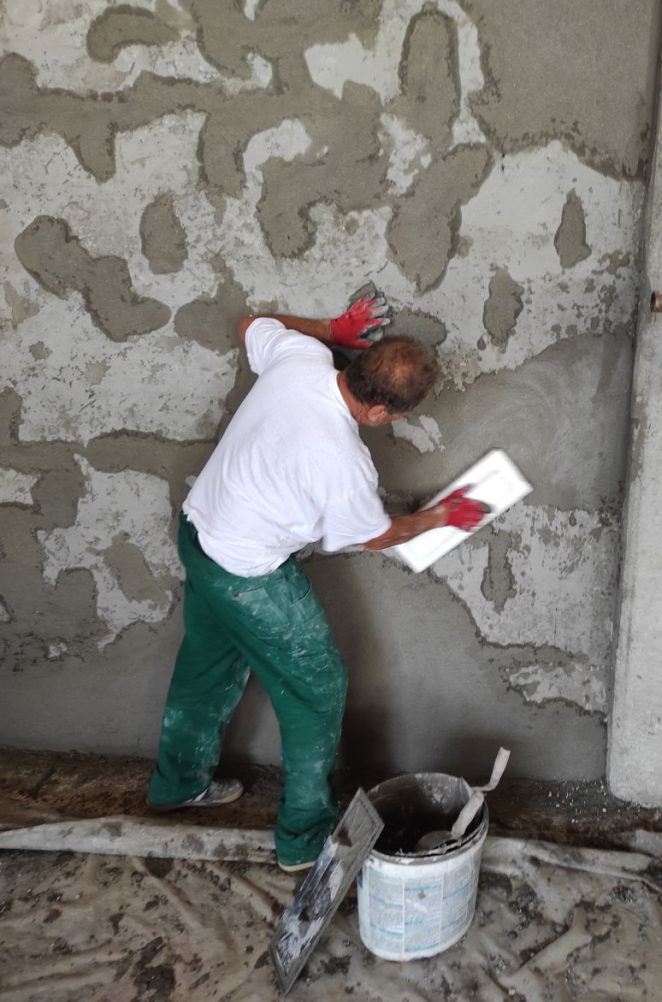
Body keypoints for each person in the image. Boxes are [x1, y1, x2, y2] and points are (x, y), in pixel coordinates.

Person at [147, 293, 488, 871]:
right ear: (382, 413)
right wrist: (439, 516)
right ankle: (302, 839)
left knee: (208, 664)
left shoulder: (302, 357)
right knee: (317, 688)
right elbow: (374, 535)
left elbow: (252, 322)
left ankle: (177, 783)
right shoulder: (344, 462)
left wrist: (333, 327)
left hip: (200, 532)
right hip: (247, 572)